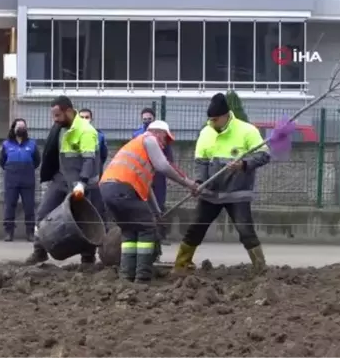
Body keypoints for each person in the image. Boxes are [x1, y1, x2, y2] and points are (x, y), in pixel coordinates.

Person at [173, 93, 270, 274]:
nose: (212, 123)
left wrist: (244, 164)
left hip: (237, 192)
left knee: (245, 230)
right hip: (211, 193)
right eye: (209, 119)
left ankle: (260, 268)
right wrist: (200, 183)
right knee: (196, 228)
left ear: (226, 115)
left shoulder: (247, 130)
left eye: (215, 119)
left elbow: (264, 155)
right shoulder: (206, 132)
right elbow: (201, 162)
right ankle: (180, 265)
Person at [100, 120, 198, 283]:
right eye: (166, 139)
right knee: (147, 229)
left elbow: (148, 189)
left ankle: (127, 276)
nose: (165, 144)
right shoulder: (149, 139)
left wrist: (157, 213)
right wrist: (190, 184)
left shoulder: (137, 148)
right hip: (123, 189)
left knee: (130, 231)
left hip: (108, 189)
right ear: (159, 133)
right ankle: (143, 277)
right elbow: (164, 167)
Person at [26, 95, 107, 267]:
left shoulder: (86, 131)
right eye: (53, 115)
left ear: (69, 111)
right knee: (42, 213)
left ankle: (88, 258)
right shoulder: (60, 128)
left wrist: (82, 183)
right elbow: (52, 152)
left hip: (83, 183)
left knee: (85, 221)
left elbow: (89, 160)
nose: (54, 119)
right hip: (61, 179)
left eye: (57, 115)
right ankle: (39, 252)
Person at [0, 118, 41, 242]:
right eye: (19, 127)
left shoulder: (32, 144)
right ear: (13, 129)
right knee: (10, 205)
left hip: (28, 179)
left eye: (23, 127)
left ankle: (30, 232)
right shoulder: (6, 144)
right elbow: (2, 161)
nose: (21, 129)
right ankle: (8, 232)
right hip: (11, 179)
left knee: (29, 205)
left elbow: (37, 161)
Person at [132, 108, 173, 212]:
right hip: (144, 170)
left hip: (158, 171)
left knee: (159, 197)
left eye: (149, 119)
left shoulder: (161, 134)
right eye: (144, 119)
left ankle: (159, 219)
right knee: (144, 196)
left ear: (154, 119)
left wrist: (169, 170)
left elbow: (168, 153)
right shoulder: (137, 135)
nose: (146, 121)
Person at [78, 108, 108, 175]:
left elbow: (103, 155)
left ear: (91, 119)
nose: (84, 120)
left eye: (87, 117)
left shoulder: (99, 136)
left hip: (94, 172)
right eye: (81, 117)